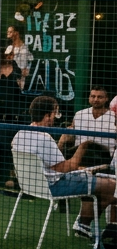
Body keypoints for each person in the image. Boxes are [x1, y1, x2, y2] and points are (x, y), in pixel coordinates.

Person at [11, 95, 116, 240]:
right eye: (55, 113)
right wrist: (84, 145)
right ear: (47, 115)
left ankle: (84, 225)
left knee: (96, 181)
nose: (56, 117)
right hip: (53, 186)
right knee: (112, 187)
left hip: (30, 184)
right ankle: (87, 225)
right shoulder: (44, 138)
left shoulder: (20, 134)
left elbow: (51, 163)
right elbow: (68, 167)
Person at [61, 87, 116, 168]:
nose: (96, 99)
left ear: (106, 99)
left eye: (100, 97)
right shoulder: (80, 114)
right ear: (89, 98)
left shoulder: (113, 116)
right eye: (93, 96)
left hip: (102, 155)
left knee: (88, 144)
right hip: (78, 154)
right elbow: (70, 133)